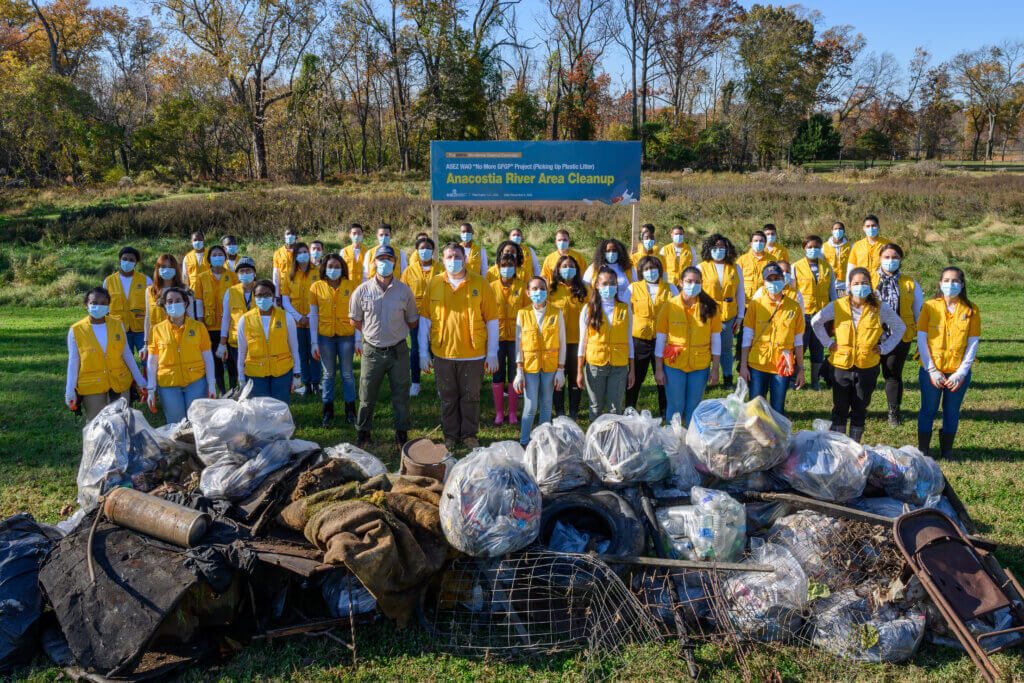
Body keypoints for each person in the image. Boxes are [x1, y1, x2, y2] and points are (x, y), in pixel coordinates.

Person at [419, 242, 499, 450]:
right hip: (443, 354)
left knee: (471, 397)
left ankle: (469, 435)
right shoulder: (435, 284)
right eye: (449, 257)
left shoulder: (480, 284)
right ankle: (451, 436)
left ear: (465, 259)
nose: (453, 261)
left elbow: (491, 320)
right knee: (448, 398)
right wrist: (422, 353)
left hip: (473, 355)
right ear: (443, 260)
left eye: (457, 257)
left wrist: (492, 353)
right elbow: (425, 320)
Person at [811, 268, 905, 442]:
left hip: (867, 367)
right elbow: (815, 321)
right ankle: (840, 446)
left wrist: (885, 348)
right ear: (849, 286)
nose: (860, 286)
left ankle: (854, 446)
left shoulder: (879, 308)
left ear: (870, 285)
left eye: (864, 283)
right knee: (840, 408)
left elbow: (900, 327)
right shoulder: (838, 305)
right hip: (841, 365)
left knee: (860, 408)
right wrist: (828, 343)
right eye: (856, 283)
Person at [350, 246, 420, 446]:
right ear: (373, 263)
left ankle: (401, 434)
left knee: (401, 395)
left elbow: (412, 321)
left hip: (398, 350)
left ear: (395, 263)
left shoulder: (405, 291)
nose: (384, 262)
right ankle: (363, 433)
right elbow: (355, 320)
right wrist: (371, 333)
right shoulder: (362, 291)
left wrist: (395, 332)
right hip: (372, 350)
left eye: (389, 258)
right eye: (380, 258)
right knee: (366, 394)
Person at [916, 267, 980, 460]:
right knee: (928, 409)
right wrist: (932, 369)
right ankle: (923, 451)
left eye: (955, 281)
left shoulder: (971, 310)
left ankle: (947, 452)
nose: (950, 284)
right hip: (931, 372)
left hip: (957, 372)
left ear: (962, 285)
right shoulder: (929, 306)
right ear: (940, 283)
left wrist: (961, 372)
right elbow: (921, 339)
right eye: (946, 280)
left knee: (951, 412)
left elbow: (972, 342)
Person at [65, 287, 146, 421]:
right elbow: (74, 362)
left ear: (108, 305)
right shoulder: (76, 330)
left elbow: (127, 354)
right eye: (94, 303)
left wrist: (140, 380)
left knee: (122, 423)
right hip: (92, 387)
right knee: (97, 426)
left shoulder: (117, 325)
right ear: (86, 305)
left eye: (103, 303)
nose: (98, 306)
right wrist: (69, 391)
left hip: (119, 382)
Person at [654, 267, 722, 426]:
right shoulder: (669, 306)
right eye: (689, 281)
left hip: (700, 365)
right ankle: (672, 442)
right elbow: (660, 340)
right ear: (681, 283)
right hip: (674, 365)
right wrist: (658, 369)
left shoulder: (710, 307)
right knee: (675, 406)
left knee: (694, 407)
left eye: (697, 282)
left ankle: (692, 442)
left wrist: (715, 367)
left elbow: (716, 339)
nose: (693, 285)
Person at [739, 263, 805, 415]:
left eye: (777, 278)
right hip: (757, 365)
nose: (773, 282)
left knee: (777, 409)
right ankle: (756, 438)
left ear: (783, 279)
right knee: (754, 409)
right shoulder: (756, 304)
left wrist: (801, 369)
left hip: (782, 365)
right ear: (764, 282)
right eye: (770, 279)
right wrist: (743, 366)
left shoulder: (794, 307)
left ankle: (776, 438)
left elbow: (798, 341)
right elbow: (747, 338)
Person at [146, 287, 217, 423]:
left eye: (178, 300)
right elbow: (152, 361)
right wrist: (151, 388)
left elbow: (207, 357)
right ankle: (178, 445)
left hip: (195, 382)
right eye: (170, 301)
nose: (174, 304)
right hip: (168, 385)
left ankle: (198, 445)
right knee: (176, 424)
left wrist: (211, 383)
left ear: (185, 304)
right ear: (165, 305)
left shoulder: (198, 327)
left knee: (198, 422)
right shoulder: (156, 330)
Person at [871, 243, 922, 425]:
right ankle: (858, 409)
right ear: (879, 259)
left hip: (899, 336)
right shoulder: (868, 279)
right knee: (866, 374)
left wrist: (921, 338)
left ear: (901, 260)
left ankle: (894, 412)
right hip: (871, 336)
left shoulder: (910, 283)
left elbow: (919, 312)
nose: (890, 261)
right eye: (886, 257)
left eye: (895, 257)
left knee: (892, 374)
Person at [513, 277, 566, 445]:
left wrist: (560, 370)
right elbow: (518, 344)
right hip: (529, 367)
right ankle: (524, 441)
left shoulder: (556, 313)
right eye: (534, 289)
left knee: (546, 405)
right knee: (530, 407)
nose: (539, 292)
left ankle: (543, 442)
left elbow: (562, 342)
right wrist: (519, 371)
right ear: (528, 293)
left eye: (542, 288)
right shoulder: (523, 313)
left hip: (550, 367)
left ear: (547, 291)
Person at [577, 267, 635, 419]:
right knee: (595, 407)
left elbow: (629, 340)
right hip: (596, 365)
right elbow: (582, 343)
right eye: (605, 284)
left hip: (619, 365)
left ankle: (613, 440)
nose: (608, 287)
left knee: (615, 409)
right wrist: (579, 371)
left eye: (612, 284)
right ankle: (595, 439)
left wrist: (632, 369)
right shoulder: (588, 309)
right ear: (596, 285)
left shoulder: (625, 309)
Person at [625, 255, 676, 415]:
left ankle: (665, 409)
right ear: (641, 271)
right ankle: (629, 408)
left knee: (663, 377)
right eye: (646, 269)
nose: (650, 272)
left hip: (663, 340)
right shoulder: (633, 288)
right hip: (639, 340)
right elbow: (626, 312)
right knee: (636, 377)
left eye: (653, 268)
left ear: (659, 270)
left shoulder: (670, 288)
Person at [309, 255, 357, 426]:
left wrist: (358, 339)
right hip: (325, 337)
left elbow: (357, 313)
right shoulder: (316, 287)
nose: (333, 269)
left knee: (347, 374)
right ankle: (327, 413)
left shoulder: (351, 286)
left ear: (342, 268)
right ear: (324, 268)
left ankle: (351, 412)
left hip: (346, 335)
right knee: (328, 375)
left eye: (337, 266)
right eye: (330, 266)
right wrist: (314, 341)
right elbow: (313, 315)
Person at [236, 279, 302, 403]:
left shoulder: (286, 317)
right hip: (256, 374)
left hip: (281, 372)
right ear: (254, 297)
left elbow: (294, 348)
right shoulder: (245, 320)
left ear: (273, 296)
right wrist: (241, 378)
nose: (263, 298)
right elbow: (242, 352)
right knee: (260, 411)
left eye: (267, 294)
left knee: (280, 408)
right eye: (259, 295)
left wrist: (297, 373)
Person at [792, 235, 838, 390]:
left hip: (821, 316)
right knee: (800, 346)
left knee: (818, 348)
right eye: (810, 247)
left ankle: (815, 381)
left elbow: (832, 292)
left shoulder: (827, 267)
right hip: (803, 314)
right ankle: (795, 379)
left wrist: (835, 312)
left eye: (816, 247)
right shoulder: (796, 267)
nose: (813, 250)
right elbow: (792, 292)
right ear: (804, 248)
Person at [699, 234, 744, 389]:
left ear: (727, 249)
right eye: (715, 247)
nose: (718, 250)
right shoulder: (701, 267)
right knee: (705, 346)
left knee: (726, 347)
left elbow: (740, 292)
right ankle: (705, 378)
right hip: (707, 314)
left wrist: (740, 316)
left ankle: (727, 378)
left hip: (728, 314)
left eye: (722, 247)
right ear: (709, 249)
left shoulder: (735, 267)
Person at [192, 245, 237, 395]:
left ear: (224, 257)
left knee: (231, 360)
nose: (217, 257)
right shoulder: (202, 277)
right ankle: (222, 390)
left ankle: (233, 388)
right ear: (209, 259)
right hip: (209, 326)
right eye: (214, 255)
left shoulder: (232, 276)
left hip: (230, 325)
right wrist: (200, 321)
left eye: (220, 254)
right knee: (215, 360)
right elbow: (198, 301)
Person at [401, 235, 443, 397]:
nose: (425, 251)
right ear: (417, 251)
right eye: (422, 248)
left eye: (428, 248)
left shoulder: (441, 268)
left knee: (438, 349)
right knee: (416, 349)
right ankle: (416, 383)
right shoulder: (409, 271)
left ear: (433, 250)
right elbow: (403, 293)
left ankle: (441, 384)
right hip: (415, 316)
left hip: (437, 315)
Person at [548, 254, 589, 420]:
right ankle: (559, 412)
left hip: (577, 343)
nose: (568, 269)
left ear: (577, 269)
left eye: (571, 266)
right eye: (564, 266)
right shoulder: (551, 290)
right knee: (558, 379)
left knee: (575, 379)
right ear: (558, 269)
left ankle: (573, 412)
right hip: (556, 342)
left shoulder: (586, 290)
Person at [490, 252, 527, 425]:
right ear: (498, 267)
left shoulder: (522, 287)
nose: (507, 269)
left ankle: (512, 412)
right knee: (497, 373)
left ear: (515, 268)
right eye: (503, 265)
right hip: (496, 337)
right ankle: (499, 412)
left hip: (516, 336)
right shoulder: (491, 287)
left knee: (514, 373)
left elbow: (527, 311)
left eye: (510, 265)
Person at [281, 242, 322, 396]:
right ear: (295, 256)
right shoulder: (289, 275)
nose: (303, 254)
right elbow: (285, 301)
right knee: (301, 353)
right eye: (300, 252)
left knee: (315, 352)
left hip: (313, 320)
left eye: (306, 251)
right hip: (296, 322)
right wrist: (299, 317)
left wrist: (309, 317)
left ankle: (316, 383)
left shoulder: (317, 272)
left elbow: (320, 297)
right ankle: (307, 383)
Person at [215, 257, 257, 391]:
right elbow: (226, 318)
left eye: (248, 270)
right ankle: (243, 393)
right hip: (236, 342)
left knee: (255, 370)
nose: (245, 274)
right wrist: (222, 342)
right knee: (240, 371)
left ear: (254, 273)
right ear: (237, 274)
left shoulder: (262, 289)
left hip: (258, 339)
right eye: (242, 271)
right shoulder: (231, 292)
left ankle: (256, 392)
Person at [144, 255, 196, 358]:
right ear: (157, 269)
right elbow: (147, 317)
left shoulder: (184, 289)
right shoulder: (150, 291)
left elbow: (191, 316)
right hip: (157, 339)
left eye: (170, 266)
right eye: (163, 266)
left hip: (179, 339)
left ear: (175, 269)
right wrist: (146, 343)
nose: (166, 269)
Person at [103, 246, 150, 355]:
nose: (127, 262)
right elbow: (104, 306)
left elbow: (152, 304)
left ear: (136, 263)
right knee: (123, 362)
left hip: (141, 328)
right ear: (120, 260)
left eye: (131, 260)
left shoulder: (145, 280)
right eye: (124, 259)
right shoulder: (108, 281)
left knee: (147, 360)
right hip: (119, 327)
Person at [583, 238, 632, 303]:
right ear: (603, 252)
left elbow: (636, 287)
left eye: (614, 251)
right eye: (608, 251)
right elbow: (585, 287)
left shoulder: (627, 267)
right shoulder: (594, 267)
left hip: (624, 307)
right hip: (599, 307)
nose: (611, 253)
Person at [846, 214, 889, 282]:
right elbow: (851, 267)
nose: (871, 228)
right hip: (862, 284)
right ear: (864, 228)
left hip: (881, 284)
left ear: (878, 227)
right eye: (868, 226)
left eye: (873, 226)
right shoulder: (857, 245)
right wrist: (848, 285)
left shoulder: (887, 245)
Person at [736, 230, 769, 303]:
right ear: (751, 243)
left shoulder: (772, 260)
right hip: (745, 302)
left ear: (765, 243)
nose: (758, 243)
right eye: (756, 241)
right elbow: (735, 280)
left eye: (761, 241)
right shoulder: (742, 259)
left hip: (765, 302)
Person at [822, 222, 849, 292]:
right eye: (835, 229)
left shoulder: (850, 247)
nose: (838, 231)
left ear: (844, 231)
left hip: (845, 286)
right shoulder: (824, 247)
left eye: (840, 229)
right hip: (829, 285)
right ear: (832, 231)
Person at [272, 227, 299, 296]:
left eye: (292, 234)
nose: (290, 236)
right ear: (284, 237)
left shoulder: (301, 252)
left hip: (298, 290)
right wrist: (276, 294)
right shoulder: (278, 253)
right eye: (288, 234)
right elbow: (276, 275)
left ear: (296, 237)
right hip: (283, 290)